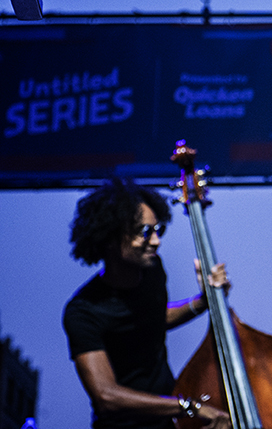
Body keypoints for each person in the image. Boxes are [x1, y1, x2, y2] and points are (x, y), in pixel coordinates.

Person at [63, 178, 232, 429]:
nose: (156, 242)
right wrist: (188, 406)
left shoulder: (153, 271)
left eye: (157, 230)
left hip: (167, 420)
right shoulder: (83, 311)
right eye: (144, 232)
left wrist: (204, 301)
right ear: (111, 237)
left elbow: (153, 318)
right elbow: (106, 396)